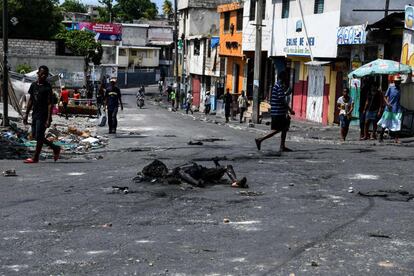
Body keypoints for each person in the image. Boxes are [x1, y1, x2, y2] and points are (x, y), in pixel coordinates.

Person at [23, 65, 61, 163]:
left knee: (39, 135)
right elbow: (31, 100)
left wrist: (49, 119)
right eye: (42, 73)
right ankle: (55, 148)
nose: (44, 76)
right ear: (38, 74)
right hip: (35, 114)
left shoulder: (47, 87)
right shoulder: (34, 85)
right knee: (35, 135)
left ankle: (35, 157)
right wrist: (26, 114)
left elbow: (50, 104)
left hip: (43, 115)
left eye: (46, 74)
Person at [254, 71, 295, 152]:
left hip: (279, 112)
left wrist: (286, 94)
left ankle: (282, 146)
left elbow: (281, 97)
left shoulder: (278, 86)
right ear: (282, 78)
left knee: (285, 127)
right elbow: (282, 100)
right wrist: (290, 109)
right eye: (285, 77)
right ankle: (260, 139)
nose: (286, 79)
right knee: (277, 129)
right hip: (278, 112)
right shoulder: (279, 86)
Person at [378, 75, 402, 143]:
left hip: (397, 108)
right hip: (389, 108)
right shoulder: (391, 87)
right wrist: (388, 104)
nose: (398, 83)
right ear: (394, 81)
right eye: (397, 82)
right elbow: (385, 97)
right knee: (385, 122)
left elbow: (399, 98)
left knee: (397, 122)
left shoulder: (399, 88)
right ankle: (381, 136)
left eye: (399, 82)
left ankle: (396, 138)